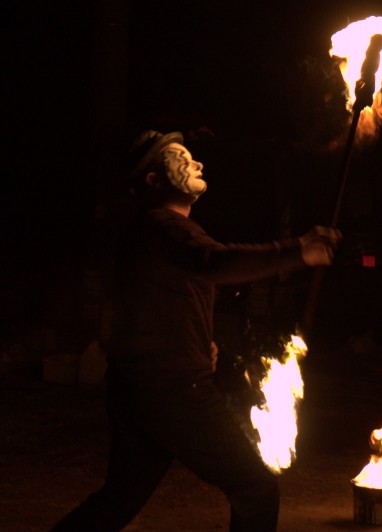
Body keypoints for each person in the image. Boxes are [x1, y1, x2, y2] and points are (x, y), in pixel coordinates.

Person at [53, 130, 342, 531]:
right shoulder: (164, 225)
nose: (197, 164)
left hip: (137, 388)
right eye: (180, 159)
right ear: (154, 181)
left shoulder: (152, 232)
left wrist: (197, 343)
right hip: (174, 391)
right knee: (255, 487)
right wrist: (298, 251)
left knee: (120, 497)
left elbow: (158, 305)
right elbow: (214, 262)